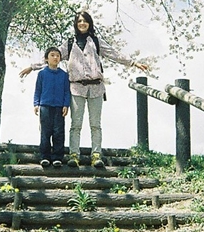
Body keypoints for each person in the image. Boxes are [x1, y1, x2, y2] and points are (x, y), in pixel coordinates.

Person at [21, 11, 148, 168]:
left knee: (95, 124)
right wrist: (32, 67)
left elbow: (114, 54)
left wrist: (134, 63)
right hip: (76, 87)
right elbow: (51, 56)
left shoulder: (95, 41)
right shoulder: (69, 44)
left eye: (85, 21)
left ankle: (96, 154)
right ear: (76, 23)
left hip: (96, 87)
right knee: (76, 124)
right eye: (79, 21)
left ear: (89, 23)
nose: (82, 23)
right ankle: (74, 154)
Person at [33, 46, 71, 169]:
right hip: (45, 106)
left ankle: (57, 157)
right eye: (52, 55)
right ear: (46, 59)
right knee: (45, 131)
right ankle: (44, 156)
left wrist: (66, 105)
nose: (55, 58)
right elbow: (38, 90)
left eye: (57, 56)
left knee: (58, 132)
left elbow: (66, 91)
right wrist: (36, 104)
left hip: (59, 107)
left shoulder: (64, 75)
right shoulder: (42, 74)